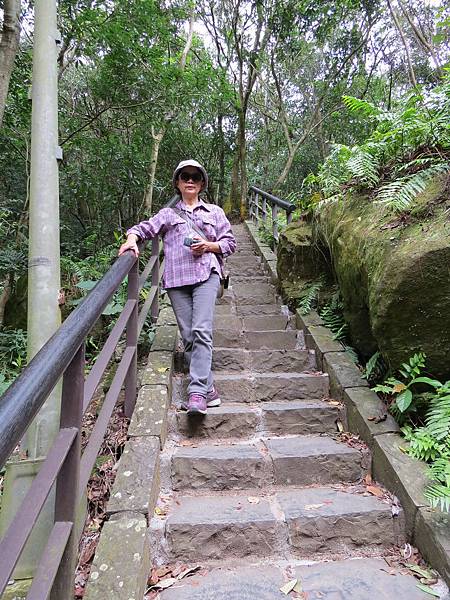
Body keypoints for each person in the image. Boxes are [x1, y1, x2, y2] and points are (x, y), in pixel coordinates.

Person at [119, 159, 236, 415]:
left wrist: (208, 246)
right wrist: (131, 240)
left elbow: (230, 243)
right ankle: (210, 390)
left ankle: (196, 394)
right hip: (176, 280)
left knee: (201, 330)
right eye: (185, 176)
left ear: (202, 183)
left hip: (207, 274)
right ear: (178, 183)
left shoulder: (214, 211)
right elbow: (144, 228)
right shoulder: (168, 214)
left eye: (195, 176)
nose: (190, 180)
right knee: (189, 336)